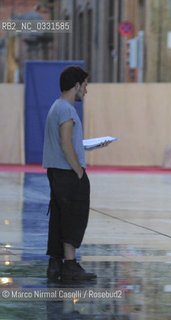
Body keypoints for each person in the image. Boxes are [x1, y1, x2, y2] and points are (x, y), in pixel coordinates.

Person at [43, 65, 111, 281]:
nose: (86, 90)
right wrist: (79, 171)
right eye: (85, 85)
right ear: (76, 85)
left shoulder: (56, 106)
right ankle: (70, 265)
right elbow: (65, 143)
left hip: (56, 171)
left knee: (59, 217)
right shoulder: (67, 109)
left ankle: (55, 264)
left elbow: (67, 141)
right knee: (74, 216)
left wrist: (87, 147)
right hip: (67, 173)